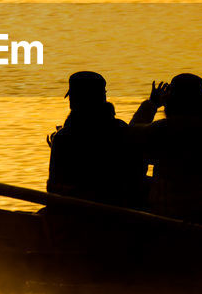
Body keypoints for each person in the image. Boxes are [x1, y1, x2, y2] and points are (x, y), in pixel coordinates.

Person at [129, 73, 202, 222]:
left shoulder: (161, 130)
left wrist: (152, 104)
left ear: (170, 102)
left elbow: (132, 133)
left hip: (163, 210)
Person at [46, 71, 147, 207]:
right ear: (103, 97)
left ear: (74, 101)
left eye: (72, 97)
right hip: (123, 211)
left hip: (78, 215)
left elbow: (53, 188)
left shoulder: (63, 138)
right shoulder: (122, 128)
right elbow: (138, 170)